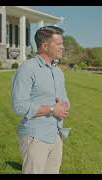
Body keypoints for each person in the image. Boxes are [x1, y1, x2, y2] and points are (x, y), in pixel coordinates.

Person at [11, 26, 70, 174]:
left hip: (56, 135)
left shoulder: (58, 72)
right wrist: (51, 109)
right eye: (58, 44)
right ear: (44, 46)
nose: (62, 47)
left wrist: (64, 105)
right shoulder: (27, 69)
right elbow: (18, 106)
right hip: (35, 136)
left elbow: (65, 100)